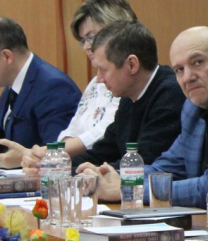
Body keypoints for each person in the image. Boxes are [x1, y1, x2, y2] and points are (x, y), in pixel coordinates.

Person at [78, 27, 208, 212]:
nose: (188, 77)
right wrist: (113, 177)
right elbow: (169, 166)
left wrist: (128, 189)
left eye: (198, 62)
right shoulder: (195, 105)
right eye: (179, 69)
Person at [15, 0, 136, 174]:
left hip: (108, 170)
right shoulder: (95, 83)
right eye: (83, 40)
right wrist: (49, 158)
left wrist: (50, 153)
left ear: (117, 29)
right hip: (83, 168)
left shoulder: (127, 80)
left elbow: (104, 132)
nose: (87, 46)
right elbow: (72, 129)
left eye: (92, 37)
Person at [70, 20, 184, 172]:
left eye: (103, 69)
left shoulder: (171, 95)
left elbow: (143, 163)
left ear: (132, 65)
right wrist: (58, 168)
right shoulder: (128, 98)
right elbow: (102, 152)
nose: (99, 79)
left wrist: (95, 172)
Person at [0, 17, 81, 168]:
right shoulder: (8, 89)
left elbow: (58, 156)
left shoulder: (54, 87)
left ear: (7, 56)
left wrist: (23, 158)